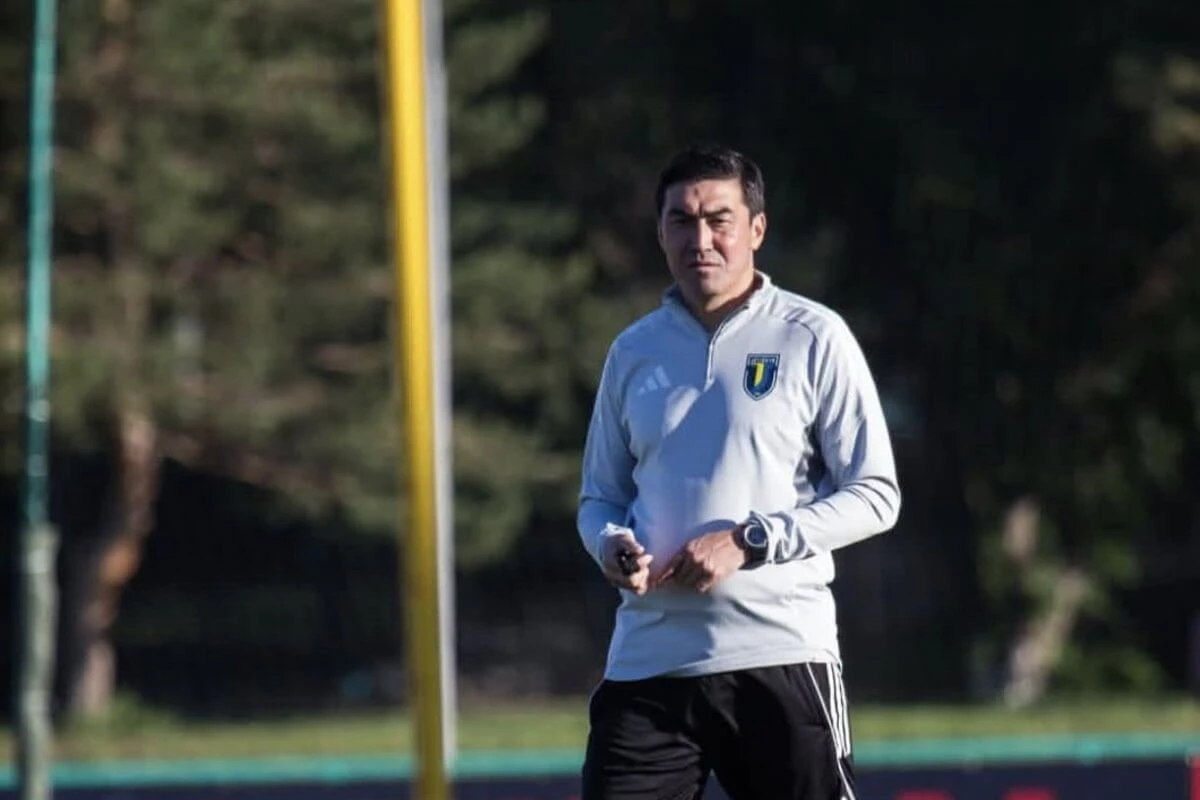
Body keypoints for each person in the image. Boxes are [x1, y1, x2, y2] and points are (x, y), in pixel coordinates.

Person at [576, 143, 901, 800]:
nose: (700, 240)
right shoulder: (633, 352)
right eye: (681, 221)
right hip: (648, 666)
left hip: (780, 655)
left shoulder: (812, 335)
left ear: (756, 228)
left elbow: (875, 495)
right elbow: (598, 499)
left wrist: (750, 540)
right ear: (660, 233)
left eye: (718, 220)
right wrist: (610, 545)